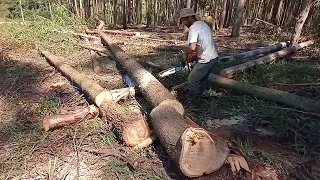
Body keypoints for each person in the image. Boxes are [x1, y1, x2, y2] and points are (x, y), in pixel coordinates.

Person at [179, 8, 219, 99]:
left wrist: (185, 53)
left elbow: (192, 47)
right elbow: (202, 43)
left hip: (206, 58)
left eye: (184, 20)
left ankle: (194, 101)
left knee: (192, 80)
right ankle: (200, 96)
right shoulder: (203, 24)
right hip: (213, 56)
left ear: (189, 17)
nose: (183, 23)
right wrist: (195, 55)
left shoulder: (193, 28)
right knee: (201, 79)